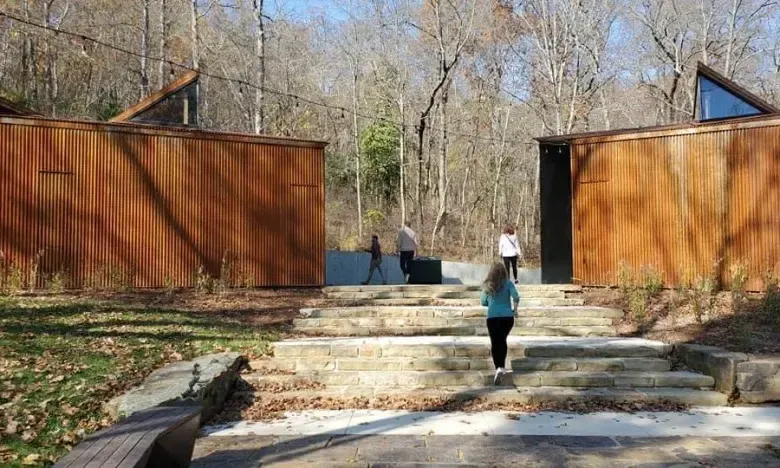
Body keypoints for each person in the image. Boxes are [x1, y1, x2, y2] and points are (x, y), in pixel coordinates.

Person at [480, 262, 520, 385]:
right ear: (504, 272)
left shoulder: (488, 285)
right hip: (507, 317)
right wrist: (515, 310)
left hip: (492, 318)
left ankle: (499, 367)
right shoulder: (508, 283)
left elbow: (483, 302)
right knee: (502, 340)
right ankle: (501, 367)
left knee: (495, 342)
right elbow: (516, 297)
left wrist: (492, 302)